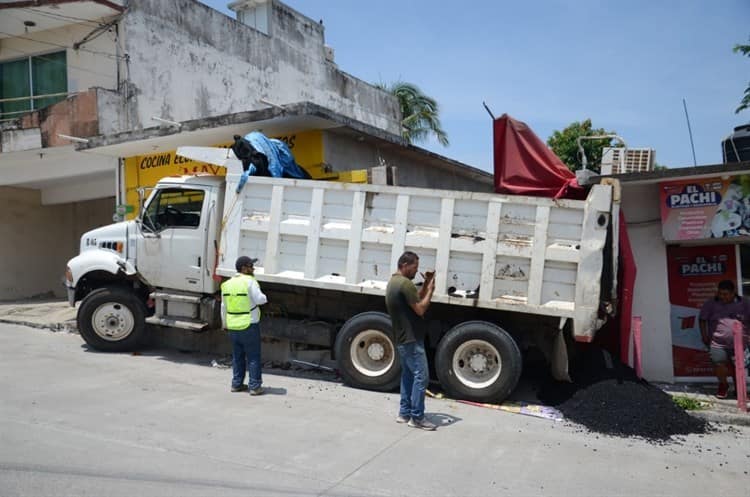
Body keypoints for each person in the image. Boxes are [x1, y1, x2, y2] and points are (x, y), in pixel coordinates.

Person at [385, 251, 436, 430]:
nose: (416, 271)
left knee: (408, 376)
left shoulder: (394, 282)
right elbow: (421, 308)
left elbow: (414, 298)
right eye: (414, 267)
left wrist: (427, 283)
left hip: (401, 338)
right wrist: (431, 290)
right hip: (411, 338)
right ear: (405, 265)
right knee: (421, 377)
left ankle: (404, 413)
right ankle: (417, 418)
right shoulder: (405, 284)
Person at [221, 256, 268, 396]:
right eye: (250, 266)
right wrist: (265, 298)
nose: (253, 269)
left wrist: (224, 323)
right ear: (243, 268)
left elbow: (223, 306)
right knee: (253, 357)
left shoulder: (227, 284)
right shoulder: (250, 281)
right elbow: (260, 299)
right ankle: (254, 387)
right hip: (249, 324)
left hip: (233, 325)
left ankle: (236, 384)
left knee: (237, 356)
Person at [699, 279, 750, 399]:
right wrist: (704, 336)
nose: (723, 296)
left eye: (726, 294)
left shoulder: (745, 303)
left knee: (739, 367)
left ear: (733, 293)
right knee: (719, 364)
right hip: (718, 343)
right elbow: (702, 320)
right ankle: (723, 385)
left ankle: (740, 390)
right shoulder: (711, 304)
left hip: (740, 344)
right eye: (720, 293)